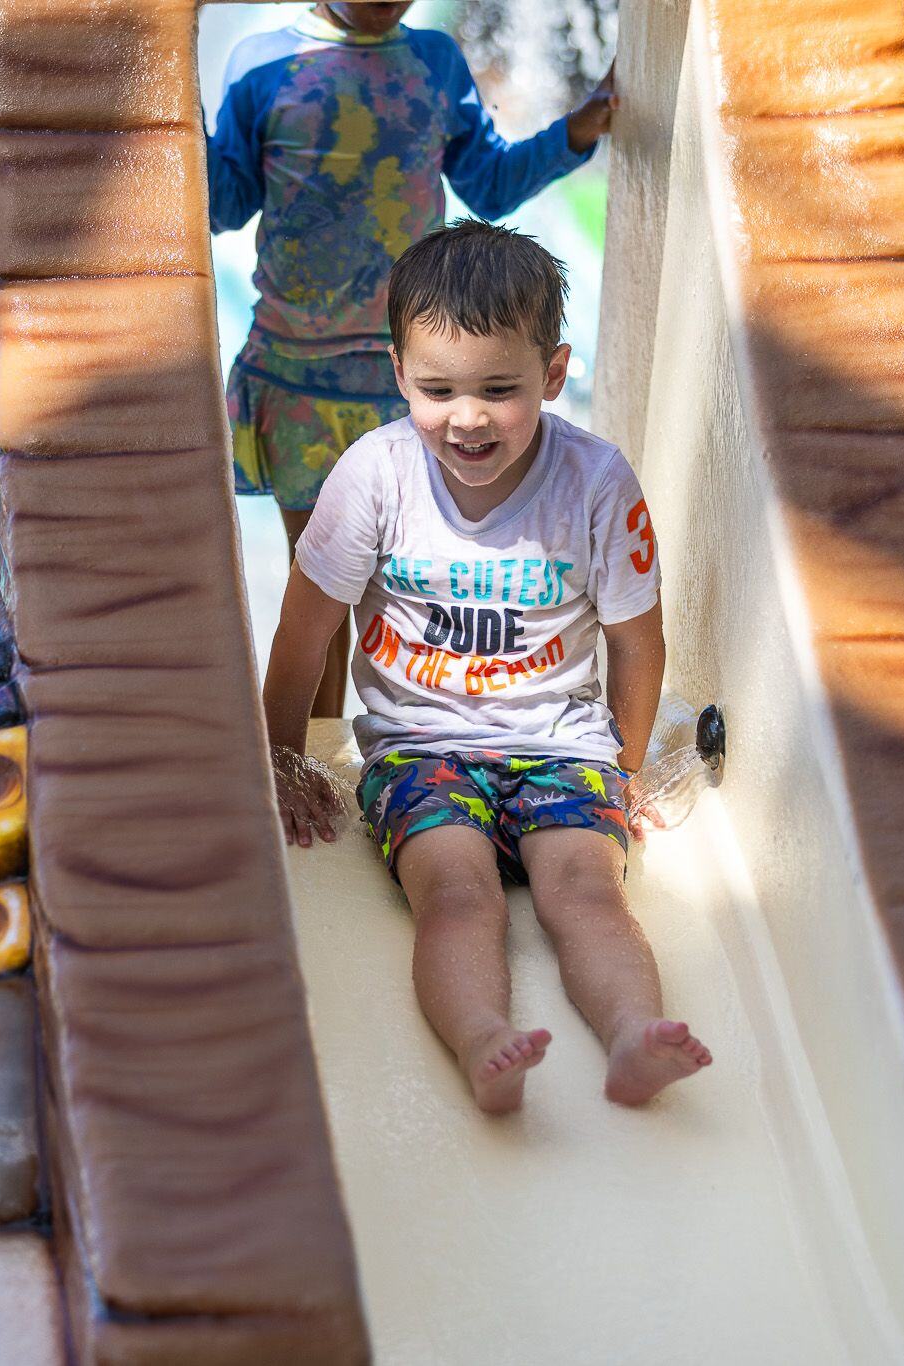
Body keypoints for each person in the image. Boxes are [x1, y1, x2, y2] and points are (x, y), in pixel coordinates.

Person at [263, 220, 711, 1115]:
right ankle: (480, 1040)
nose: (466, 418)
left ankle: (632, 1035)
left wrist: (620, 770)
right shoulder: (375, 475)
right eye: (438, 390)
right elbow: (305, 626)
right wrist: (280, 760)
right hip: (422, 749)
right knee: (460, 897)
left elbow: (636, 640)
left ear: (552, 374)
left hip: (562, 746)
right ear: (399, 372)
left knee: (588, 893)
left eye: (499, 390)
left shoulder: (594, 481)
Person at [208, 2, 617, 718]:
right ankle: (317, 763)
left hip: (416, 386)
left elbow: (487, 184)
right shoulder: (263, 66)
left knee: (413, 593)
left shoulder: (434, 63)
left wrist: (576, 128)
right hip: (299, 377)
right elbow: (223, 202)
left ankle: (427, 753)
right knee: (322, 595)